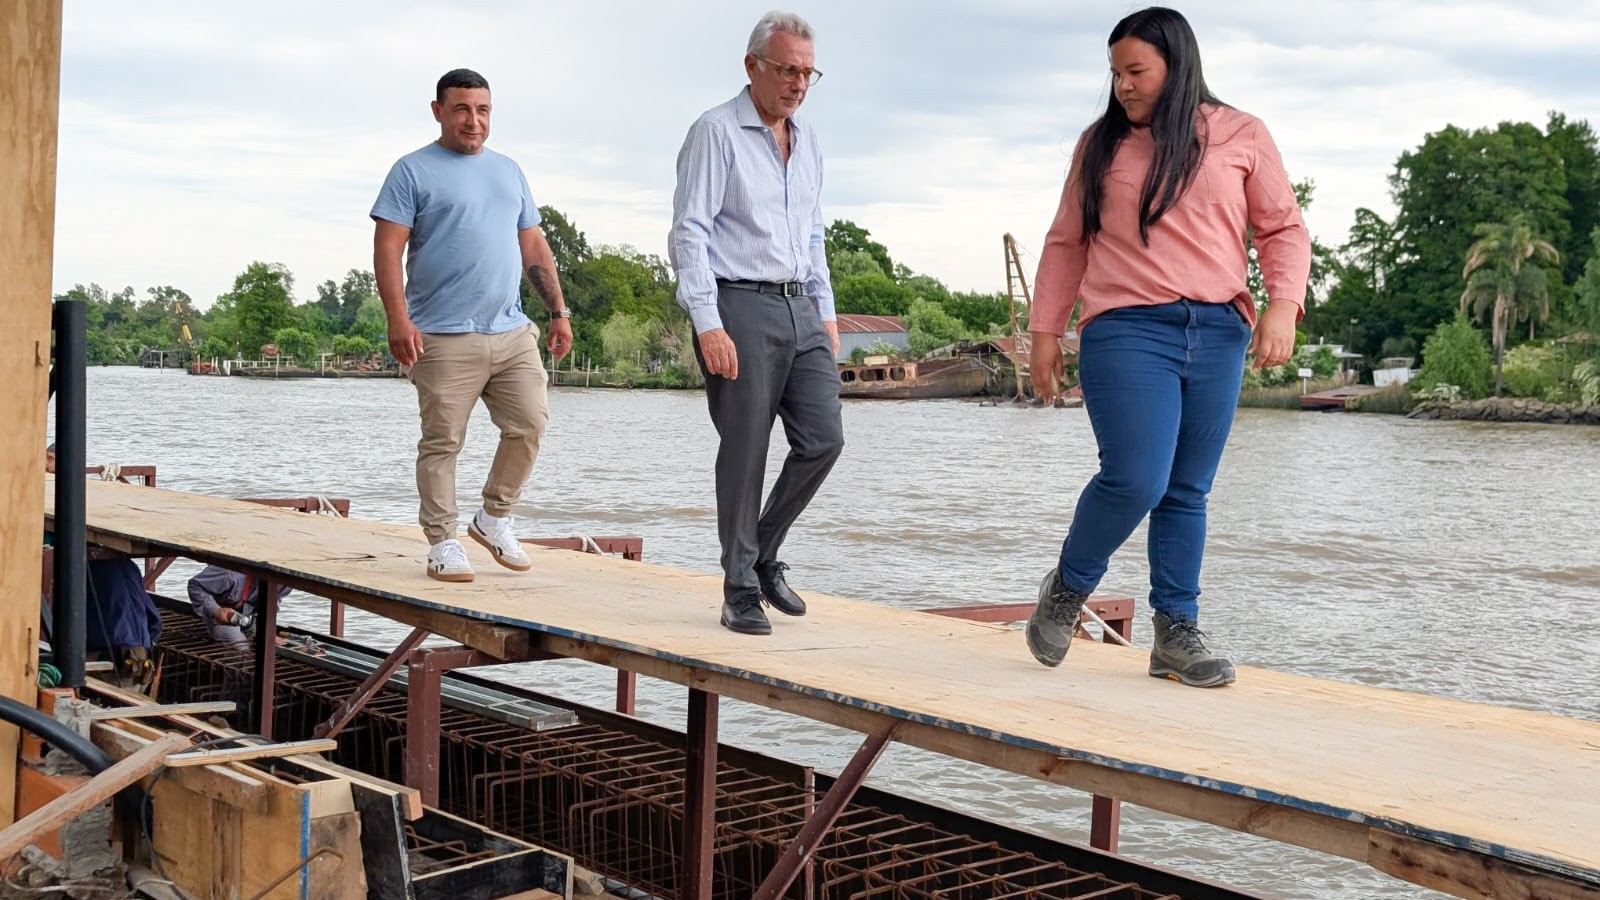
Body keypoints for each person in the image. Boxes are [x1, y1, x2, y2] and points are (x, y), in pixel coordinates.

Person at [1025, 7, 1309, 687]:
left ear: (1177, 66)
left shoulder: (1241, 134)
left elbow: (1282, 228)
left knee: (1186, 490)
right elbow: (1066, 241)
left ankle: (1175, 630)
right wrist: (1044, 333)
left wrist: (1283, 306)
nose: (1122, 85)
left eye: (1136, 71)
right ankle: (1068, 587)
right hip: (1127, 328)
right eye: (1115, 73)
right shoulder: (1100, 146)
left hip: (1218, 332)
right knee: (1137, 477)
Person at [669, 11, 845, 636]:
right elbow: (689, 232)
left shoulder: (809, 140)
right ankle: (739, 589)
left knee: (824, 438)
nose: (798, 83)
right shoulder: (715, 132)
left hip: (801, 305)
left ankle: (762, 553)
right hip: (738, 303)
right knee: (746, 450)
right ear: (753, 66)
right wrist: (707, 321)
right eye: (787, 69)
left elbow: (813, 232)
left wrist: (826, 313)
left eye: (807, 73)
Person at [372, 68, 574, 583]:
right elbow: (388, 249)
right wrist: (398, 318)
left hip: (511, 330)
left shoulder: (509, 171)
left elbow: (533, 245)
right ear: (438, 111)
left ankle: (494, 517)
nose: (473, 120)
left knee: (530, 423)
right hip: (441, 335)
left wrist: (558, 311)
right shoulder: (411, 171)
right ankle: (442, 541)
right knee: (443, 442)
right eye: (462, 108)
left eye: (482, 110)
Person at [187, 565, 292, 645]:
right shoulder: (229, 573)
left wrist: (267, 633)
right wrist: (215, 610)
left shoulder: (287, 583)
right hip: (223, 616)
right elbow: (195, 586)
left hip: (249, 616)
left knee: (273, 646)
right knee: (241, 647)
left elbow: (274, 601)